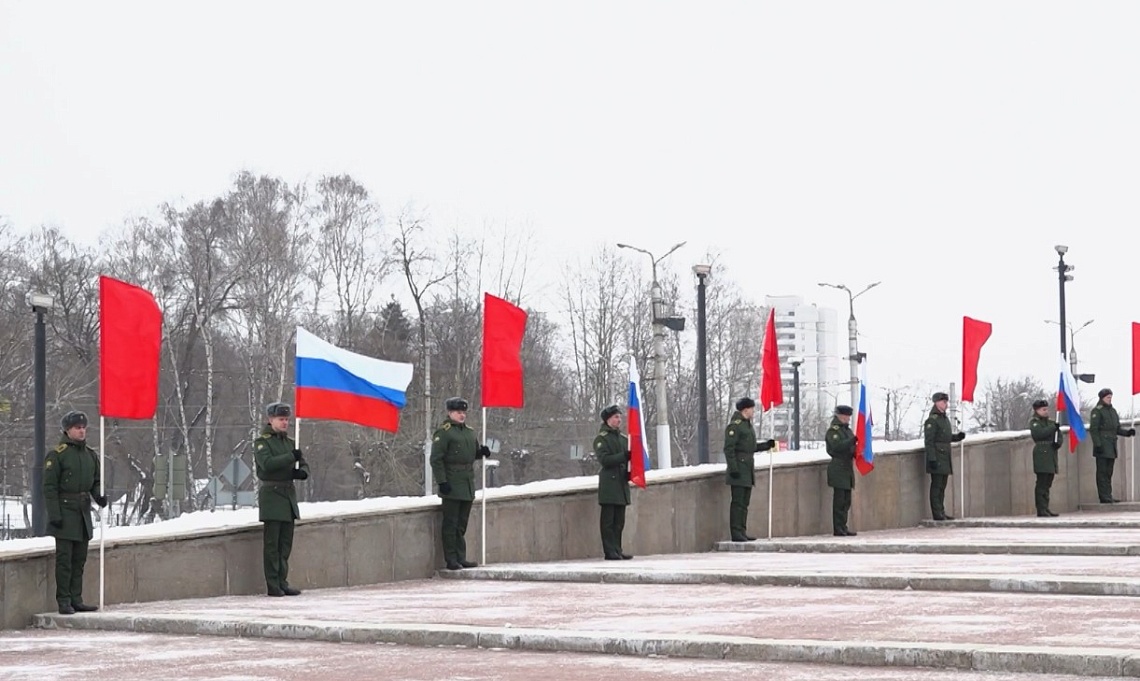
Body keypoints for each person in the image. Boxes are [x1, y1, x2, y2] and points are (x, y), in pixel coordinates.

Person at [43, 410, 107, 615]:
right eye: (77, 428)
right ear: (67, 430)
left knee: (79, 560)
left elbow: (95, 482)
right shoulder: (58, 454)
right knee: (64, 561)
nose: (81, 431)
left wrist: (99, 497)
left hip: (82, 512)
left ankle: (76, 598)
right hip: (64, 511)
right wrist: (55, 515)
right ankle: (64, 601)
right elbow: (49, 487)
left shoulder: (90, 455)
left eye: (83, 428)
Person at [254, 402, 309, 597]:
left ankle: (282, 581)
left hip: (287, 496)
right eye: (281, 419)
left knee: (285, 544)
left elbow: (302, 462)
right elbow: (267, 464)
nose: (285, 422)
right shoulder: (262, 442)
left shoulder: (289, 442)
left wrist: (301, 472)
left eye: (286, 419)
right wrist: (289, 457)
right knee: (272, 545)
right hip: (272, 496)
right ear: (271, 420)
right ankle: (273, 584)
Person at [430, 397, 491, 570]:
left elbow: (470, 454)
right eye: (458, 412)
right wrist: (442, 481)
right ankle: (451, 559)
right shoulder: (445, 432)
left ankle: (461, 557)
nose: (462, 415)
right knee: (451, 523)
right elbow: (436, 459)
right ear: (450, 413)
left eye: (464, 412)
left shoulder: (469, 432)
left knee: (461, 524)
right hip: (451, 481)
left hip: (467, 482)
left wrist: (482, 453)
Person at [724, 397, 776, 542]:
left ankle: (742, 530)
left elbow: (750, 447)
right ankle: (736, 532)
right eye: (752, 408)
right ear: (745, 410)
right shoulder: (735, 426)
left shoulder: (747, 426)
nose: (754, 411)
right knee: (738, 503)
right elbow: (729, 449)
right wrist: (733, 468)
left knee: (744, 504)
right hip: (738, 470)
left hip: (747, 469)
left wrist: (766, 445)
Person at [594, 404, 632, 560]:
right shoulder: (601, 439)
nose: (619, 420)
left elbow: (628, 459)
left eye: (619, 417)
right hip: (610, 485)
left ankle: (617, 548)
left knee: (619, 522)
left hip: (621, 484)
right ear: (608, 419)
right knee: (608, 522)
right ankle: (609, 551)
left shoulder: (623, 439)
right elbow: (605, 460)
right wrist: (624, 456)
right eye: (616, 417)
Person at [1089, 388, 1136, 504]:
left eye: (1110, 397)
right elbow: (1093, 429)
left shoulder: (1113, 412)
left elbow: (1116, 428)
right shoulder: (1097, 411)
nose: (1109, 399)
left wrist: (1127, 433)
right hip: (1102, 445)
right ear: (1102, 398)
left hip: (1111, 445)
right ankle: (1103, 496)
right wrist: (1098, 444)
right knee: (1102, 472)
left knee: (1109, 472)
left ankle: (1108, 495)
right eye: (1107, 397)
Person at [924, 391, 965, 521]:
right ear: (937, 402)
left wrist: (956, 437)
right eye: (943, 402)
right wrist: (932, 459)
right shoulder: (932, 420)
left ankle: (941, 510)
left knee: (942, 486)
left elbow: (945, 437)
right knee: (936, 486)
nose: (946, 404)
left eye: (946, 402)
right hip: (937, 456)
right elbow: (929, 441)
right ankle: (937, 513)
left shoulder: (944, 419)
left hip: (945, 456)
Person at [825, 405, 858, 536]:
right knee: (839, 501)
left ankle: (843, 526)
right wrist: (852, 441)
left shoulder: (847, 431)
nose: (847, 419)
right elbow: (837, 446)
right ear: (839, 416)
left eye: (849, 417)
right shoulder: (834, 431)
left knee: (846, 501)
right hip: (838, 468)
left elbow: (851, 446)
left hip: (847, 468)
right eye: (845, 416)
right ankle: (838, 528)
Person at [1028, 399, 1062, 517]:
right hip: (1041, 454)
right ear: (1037, 410)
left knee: (1048, 483)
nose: (1046, 411)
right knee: (1041, 484)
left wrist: (1057, 443)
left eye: (1047, 409)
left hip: (1051, 455)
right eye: (1043, 409)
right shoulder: (1035, 422)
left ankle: (1046, 507)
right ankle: (1041, 509)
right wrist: (1053, 428)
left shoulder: (1051, 423)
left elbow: (1059, 435)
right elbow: (1039, 434)